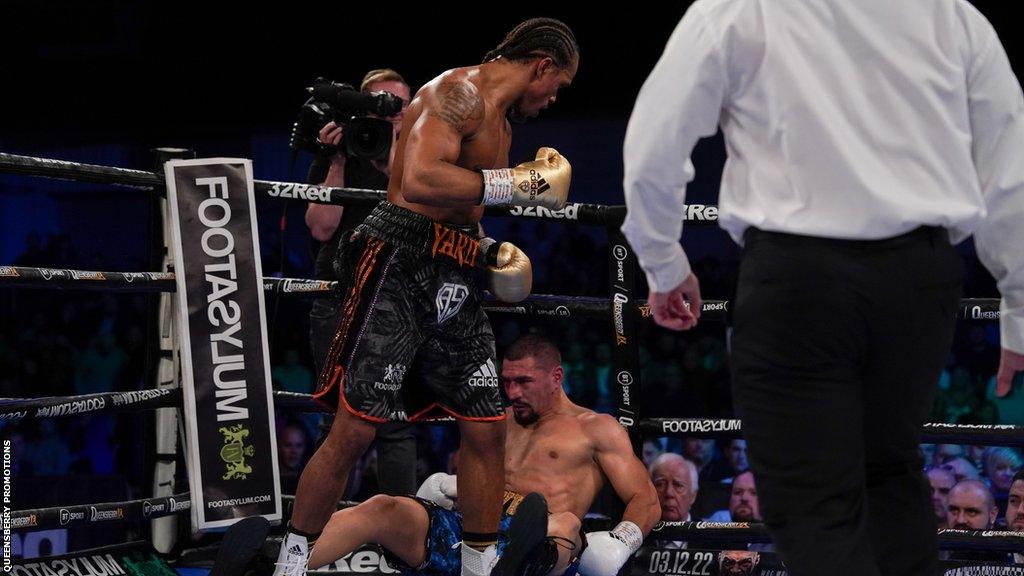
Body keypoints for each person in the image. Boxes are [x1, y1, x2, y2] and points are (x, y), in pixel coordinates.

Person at [621, 2, 1024, 575]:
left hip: (797, 277)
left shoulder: (740, 9)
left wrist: (663, 260)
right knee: (890, 473)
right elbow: (1010, 163)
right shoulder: (950, 13)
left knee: (811, 498)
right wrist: (1021, 302)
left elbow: (654, 145)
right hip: (918, 279)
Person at [275, 19, 579, 576]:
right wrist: (520, 183)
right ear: (540, 64)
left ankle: (478, 566)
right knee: (355, 428)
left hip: (456, 270)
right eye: (557, 83)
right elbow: (418, 181)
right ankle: (291, 564)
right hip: (399, 262)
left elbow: (463, 205)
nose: (555, 98)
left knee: (486, 426)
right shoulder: (455, 93)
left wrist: (487, 251)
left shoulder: (502, 125)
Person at [304, 334, 660, 576]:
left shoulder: (595, 428)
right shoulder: (494, 420)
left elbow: (645, 498)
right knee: (383, 506)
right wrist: (450, 486)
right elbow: (463, 478)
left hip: (539, 543)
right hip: (470, 532)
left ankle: (514, 566)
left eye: (523, 382)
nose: (511, 391)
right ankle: (284, 561)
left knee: (564, 524)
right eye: (506, 382)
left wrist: (620, 542)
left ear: (556, 377)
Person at [306, 68, 418, 500]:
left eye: (398, 104)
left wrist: (390, 154)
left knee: (394, 421)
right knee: (333, 419)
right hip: (338, 294)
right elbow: (319, 228)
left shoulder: (421, 151)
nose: (390, 112)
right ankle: (317, 533)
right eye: (380, 104)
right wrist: (335, 162)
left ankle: (402, 536)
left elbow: (415, 204)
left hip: (396, 297)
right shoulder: (342, 150)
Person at [650, 453, 699, 522]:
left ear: (693, 496)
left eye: (678, 485)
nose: (669, 493)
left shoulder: (707, 532)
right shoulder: (641, 531)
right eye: (660, 484)